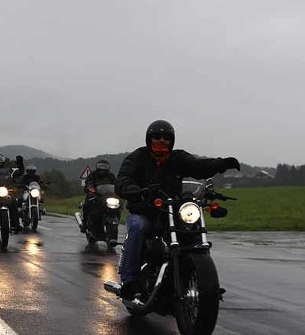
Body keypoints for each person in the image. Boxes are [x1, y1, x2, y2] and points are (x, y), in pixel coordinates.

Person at [114, 119, 240, 300]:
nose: (162, 140)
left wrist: (221, 164)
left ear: (172, 140)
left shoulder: (177, 158)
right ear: (149, 139)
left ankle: (204, 282)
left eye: (166, 137)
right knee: (137, 227)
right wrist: (132, 189)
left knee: (192, 229)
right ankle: (130, 280)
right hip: (144, 210)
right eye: (157, 137)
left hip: (172, 210)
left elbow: (199, 166)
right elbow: (124, 178)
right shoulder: (138, 157)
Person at [81, 159, 117, 233]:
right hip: (95, 195)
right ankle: (84, 223)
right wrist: (91, 190)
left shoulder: (111, 176)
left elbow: (116, 184)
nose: (102, 169)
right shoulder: (92, 175)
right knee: (87, 205)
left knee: (118, 205)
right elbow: (89, 183)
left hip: (107, 196)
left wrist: (119, 190)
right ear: (97, 167)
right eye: (101, 166)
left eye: (104, 167)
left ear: (108, 168)